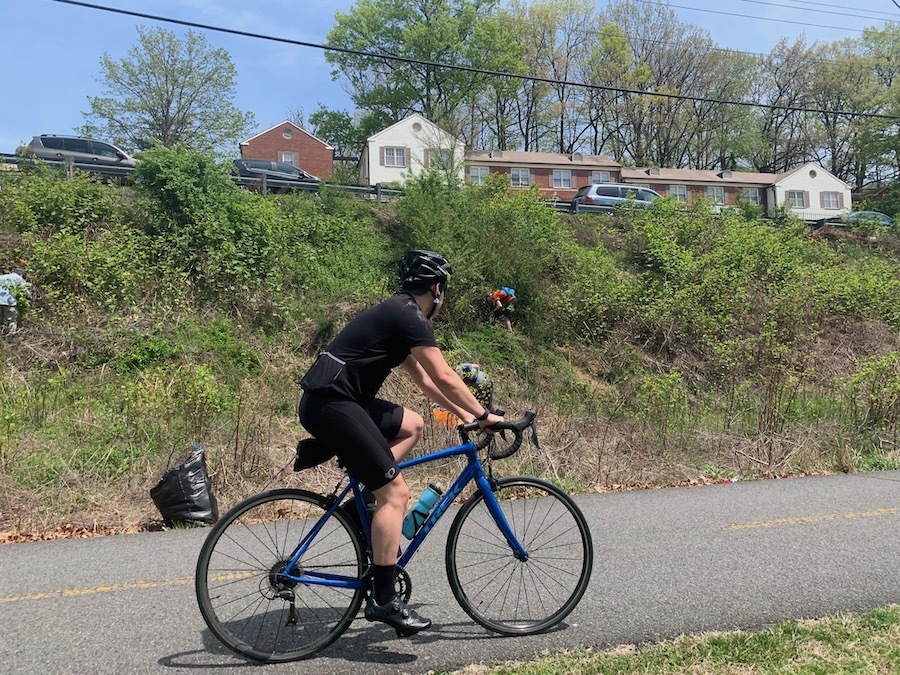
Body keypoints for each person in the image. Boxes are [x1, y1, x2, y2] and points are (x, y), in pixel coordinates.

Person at [297, 250, 504, 635]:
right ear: (437, 289)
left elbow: (426, 382)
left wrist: (464, 417)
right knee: (397, 494)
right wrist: (483, 415)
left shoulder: (398, 315)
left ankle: (369, 497)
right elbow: (444, 375)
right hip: (332, 404)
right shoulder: (410, 317)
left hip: (334, 401)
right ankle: (384, 601)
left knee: (412, 424)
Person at [432, 363, 494, 429]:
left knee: (475, 406)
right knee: (487, 404)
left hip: (480, 386)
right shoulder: (461, 366)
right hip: (486, 378)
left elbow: (460, 390)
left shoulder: (457, 377)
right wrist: (476, 374)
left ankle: (483, 423)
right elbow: (476, 366)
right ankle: (493, 419)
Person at [0, 269, 30, 335]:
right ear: (21, 274)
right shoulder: (18, 278)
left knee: (1, 320)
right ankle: (11, 336)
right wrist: (30, 297)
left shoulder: (1, 277)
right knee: (12, 319)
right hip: (9, 302)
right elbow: (25, 291)